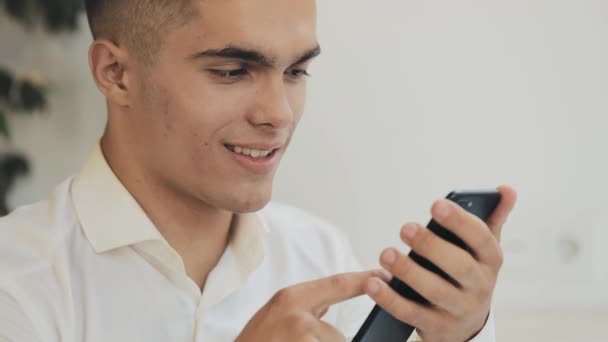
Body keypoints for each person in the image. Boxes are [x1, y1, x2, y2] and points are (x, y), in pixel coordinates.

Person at [0, 0, 517, 341]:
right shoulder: (17, 281)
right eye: (231, 71)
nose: (279, 113)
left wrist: (464, 331)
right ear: (116, 74)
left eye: (296, 71)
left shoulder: (319, 254)